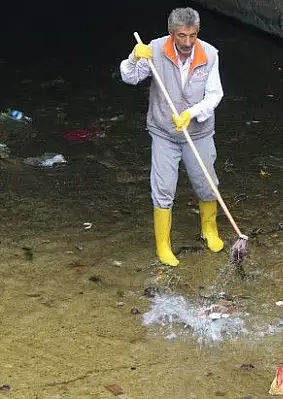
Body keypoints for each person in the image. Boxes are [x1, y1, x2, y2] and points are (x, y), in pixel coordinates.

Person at [119, 7, 224, 266]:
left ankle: (209, 230)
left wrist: (192, 113)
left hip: (198, 132)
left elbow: (214, 94)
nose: (188, 42)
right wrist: (133, 58)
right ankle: (164, 246)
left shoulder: (209, 54)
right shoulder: (153, 50)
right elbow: (129, 77)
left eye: (193, 35)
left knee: (207, 183)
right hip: (164, 132)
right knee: (163, 187)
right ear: (171, 34)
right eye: (182, 36)